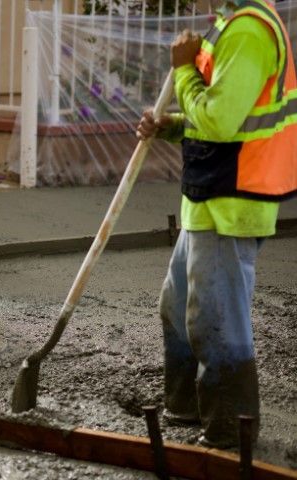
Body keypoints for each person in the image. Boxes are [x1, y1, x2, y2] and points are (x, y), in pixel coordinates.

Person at [136, 0, 297, 448]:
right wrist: (170, 125)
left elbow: (221, 121)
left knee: (217, 321)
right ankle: (185, 407)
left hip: (233, 202)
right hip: (207, 198)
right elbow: (219, 116)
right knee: (177, 307)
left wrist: (184, 71)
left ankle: (229, 430)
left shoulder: (248, 32)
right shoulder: (229, 27)